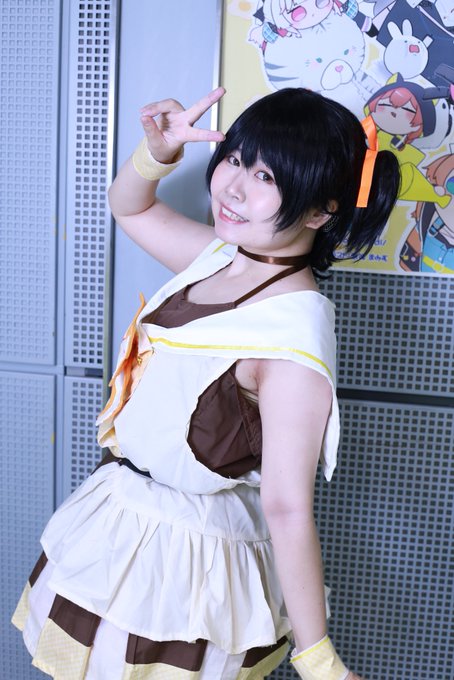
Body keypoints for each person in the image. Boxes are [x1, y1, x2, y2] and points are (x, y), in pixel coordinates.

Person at [12, 86, 400, 679]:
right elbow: (130, 208)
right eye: (236, 159)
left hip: (186, 568)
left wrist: (319, 660)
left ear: (321, 211)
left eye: (266, 177)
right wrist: (156, 153)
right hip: (120, 525)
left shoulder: (291, 337)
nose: (232, 187)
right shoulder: (223, 256)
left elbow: (288, 508)